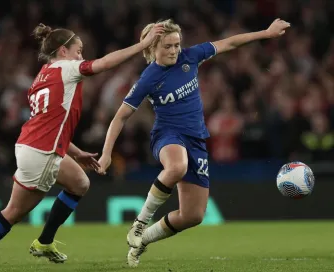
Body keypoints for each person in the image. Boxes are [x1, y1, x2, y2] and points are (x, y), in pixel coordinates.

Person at [0, 22, 165, 271]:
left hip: (35, 146)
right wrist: (142, 45)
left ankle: (44, 241)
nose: (81, 56)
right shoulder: (67, 68)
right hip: (41, 153)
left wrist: (75, 151)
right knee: (14, 212)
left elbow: (50, 123)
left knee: (80, 183)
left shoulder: (42, 75)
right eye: (78, 50)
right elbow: (105, 63)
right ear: (63, 51)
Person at [97, 18, 290, 267]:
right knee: (176, 167)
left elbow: (229, 43)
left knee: (193, 215)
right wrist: (106, 153)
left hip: (196, 139)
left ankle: (143, 239)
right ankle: (139, 224)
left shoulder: (191, 57)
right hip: (167, 135)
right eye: (167, 46)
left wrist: (266, 32)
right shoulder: (149, 77)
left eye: (176, 45)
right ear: (152, 48)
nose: (174, 51)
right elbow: (120, 116)